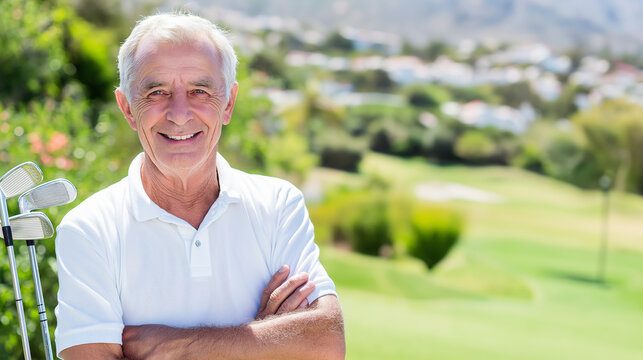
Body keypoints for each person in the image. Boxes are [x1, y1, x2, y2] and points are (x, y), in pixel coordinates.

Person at [54, 12, 345, 360]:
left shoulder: (279, 205)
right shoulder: (89, 229)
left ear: (229, 103)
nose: (179, 113)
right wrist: (262, 342)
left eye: (200, 91)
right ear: (128, 108)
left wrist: (175, 346)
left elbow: (327, 341)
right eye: (157, 91)